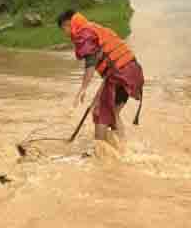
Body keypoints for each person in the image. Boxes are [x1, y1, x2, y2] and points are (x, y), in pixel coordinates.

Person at [57, 10, 144, 144]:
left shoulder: (83, 33)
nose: (65, 34)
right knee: (112, 112)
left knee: (100, 113)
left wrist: (83, 89)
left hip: (120, 74)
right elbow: (106, 63)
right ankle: (122, 148)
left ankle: (99, 153)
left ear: (68, 24)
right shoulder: (92, 28)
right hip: (132, 72)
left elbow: (90, 63)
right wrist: (97, 95)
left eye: (64, 29)